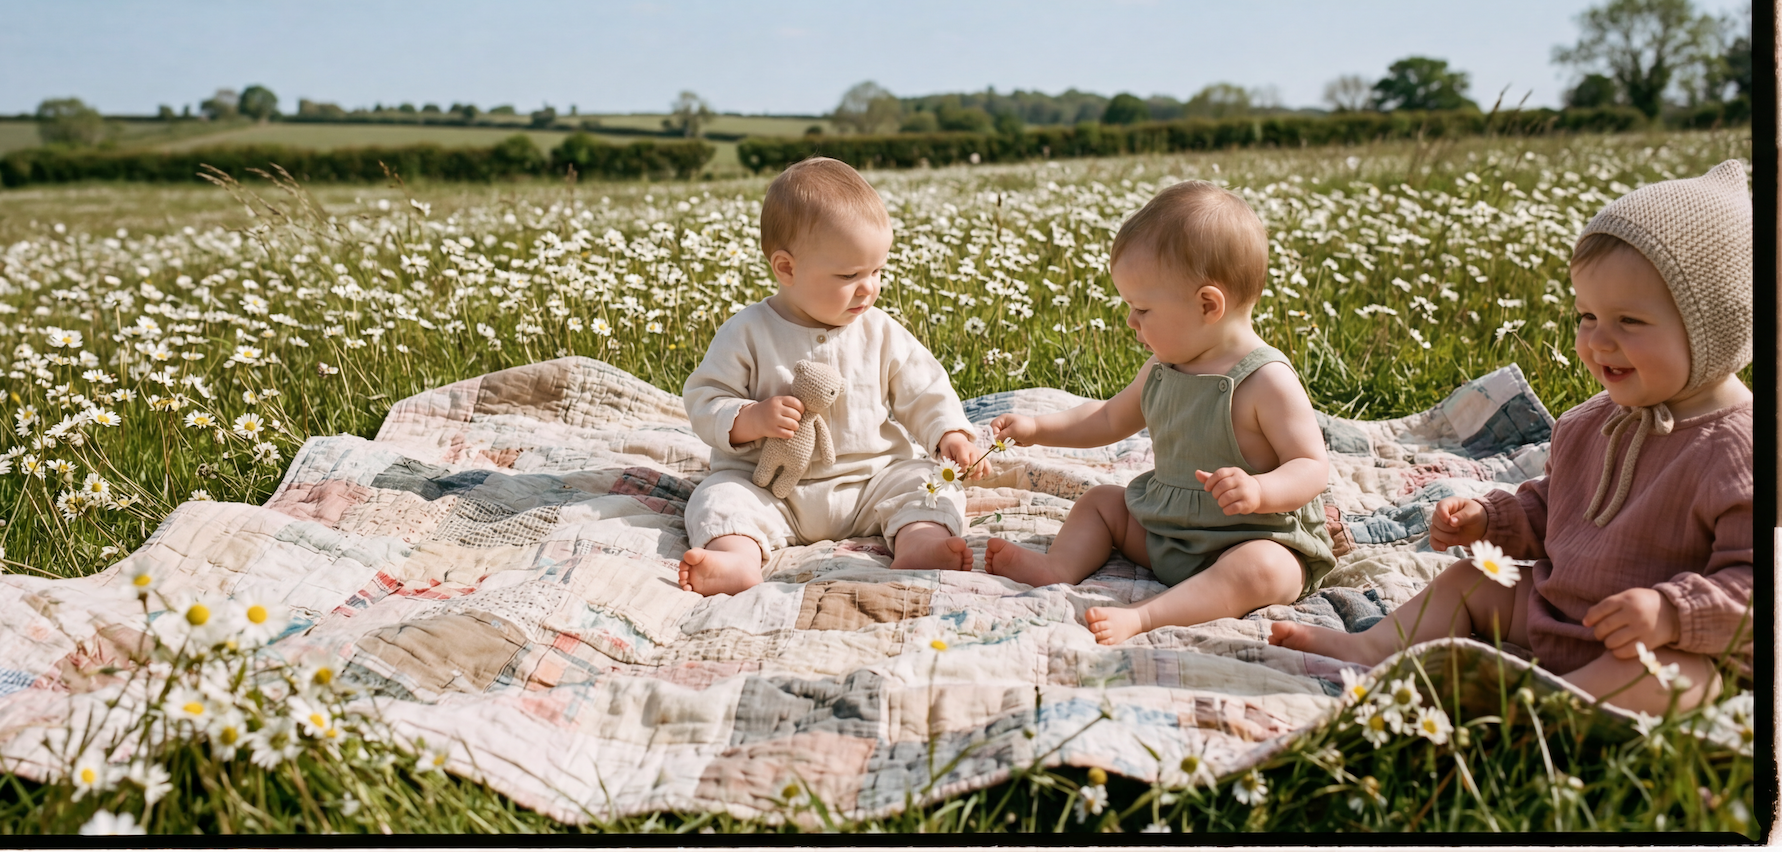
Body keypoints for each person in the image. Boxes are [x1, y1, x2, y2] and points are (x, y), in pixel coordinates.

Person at [1271, 161, 1752, 714]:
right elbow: (1557, 506)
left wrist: (1672, 614)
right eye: (1587, 316)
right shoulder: (1592, 421)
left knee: (1678, 676)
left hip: (1659, 641)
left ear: (1716, 329)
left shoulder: (1741, 450)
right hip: (1558, 611)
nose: (1597, 341)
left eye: (1629, 322)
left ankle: (1548, 717)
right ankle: (1374, 645)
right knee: (1469, 580)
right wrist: (1491, 521)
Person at [985, 180, 1335, 643]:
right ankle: (1058, 566)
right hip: (1168, 533)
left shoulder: (1264, 380)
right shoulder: (1162, 367)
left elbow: (1312, 467)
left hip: (1252, 535)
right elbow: (1108, 418)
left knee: (1264, 570)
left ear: (1208, 305)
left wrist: (1260, 490)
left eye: (1142, 308)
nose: (1131, 321)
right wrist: (1036, 428)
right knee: (1101, 502)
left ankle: (1148, 615)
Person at [678, 158, 988, 597]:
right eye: (849, 276)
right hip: (770, 490)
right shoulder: (747, 332)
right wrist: (750, 417)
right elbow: (705, 398)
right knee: (717, 499)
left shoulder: (880, 331)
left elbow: (925, 387)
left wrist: (949, 433)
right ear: (786, 268)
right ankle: (735, 557)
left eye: (877, 271)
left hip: (872, 480)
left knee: (925, 483)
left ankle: (922, 542)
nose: (869, 288)